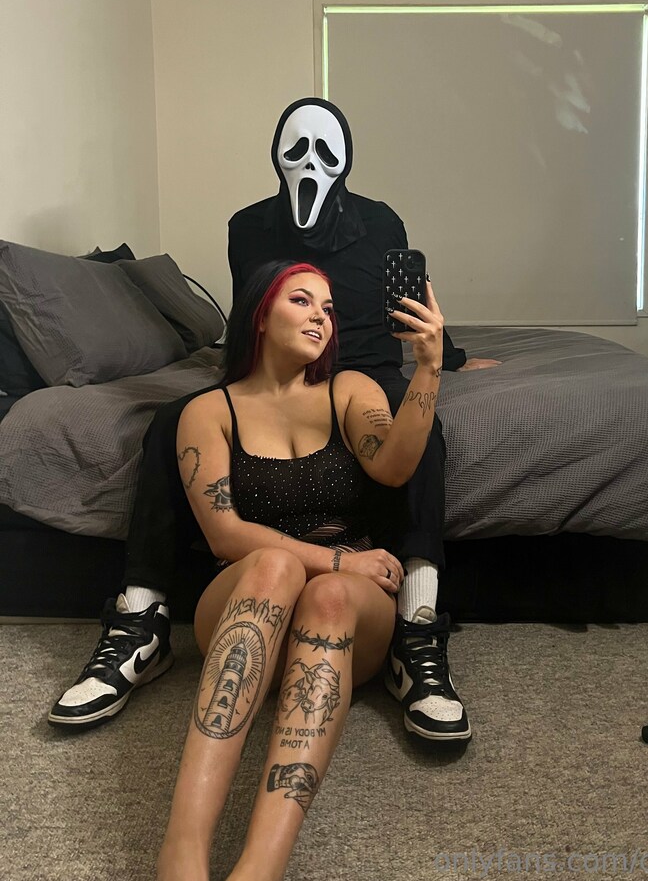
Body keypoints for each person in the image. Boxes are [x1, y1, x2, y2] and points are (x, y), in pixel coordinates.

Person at [49, 97, 498, 742]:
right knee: (167, 421)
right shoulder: (249, 226)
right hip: (268, 367)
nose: (311, 163)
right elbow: (250, 311)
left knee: (424, 436)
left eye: (325, 151)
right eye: (297, 149)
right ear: (276, 156)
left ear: (346, 160)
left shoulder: (379, 220)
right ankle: (140, 619)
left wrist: (442, 358)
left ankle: (416, 625)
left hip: (367, 368)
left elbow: (404, 305)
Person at [157, 258, 444, 881]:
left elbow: (395, 466)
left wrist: (427, 368)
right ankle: (181, 855)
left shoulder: (349, 390)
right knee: (273, 565)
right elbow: (225, 533)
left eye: (329, 308)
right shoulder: (209, 410)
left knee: (331, 595)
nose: (321, 317)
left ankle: (260, 867)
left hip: (347, 612)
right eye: (303, 301)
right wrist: (341, 557)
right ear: (261, 315)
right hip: (247, 601)